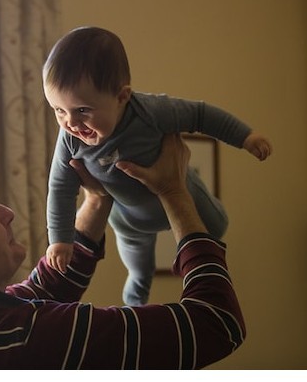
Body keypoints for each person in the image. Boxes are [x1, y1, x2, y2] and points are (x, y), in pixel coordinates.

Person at [0, 134, 246, 369]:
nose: (7, 213)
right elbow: (216, 323)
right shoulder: (29, 339)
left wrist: (97, 198)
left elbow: (42, 289)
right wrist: (174, 192)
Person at [43, 26, 273, 305]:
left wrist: (246, 137)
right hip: (129, 219)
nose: (70, 123)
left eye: (82, 110)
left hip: (182, 190)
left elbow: (201, 115)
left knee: (218, 226)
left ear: (122, 97)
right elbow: (60, 188)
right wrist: (60, 239)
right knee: (139, 269)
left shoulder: (151, 112)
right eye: (58, 110)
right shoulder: (69, 139)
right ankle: (135, 304)